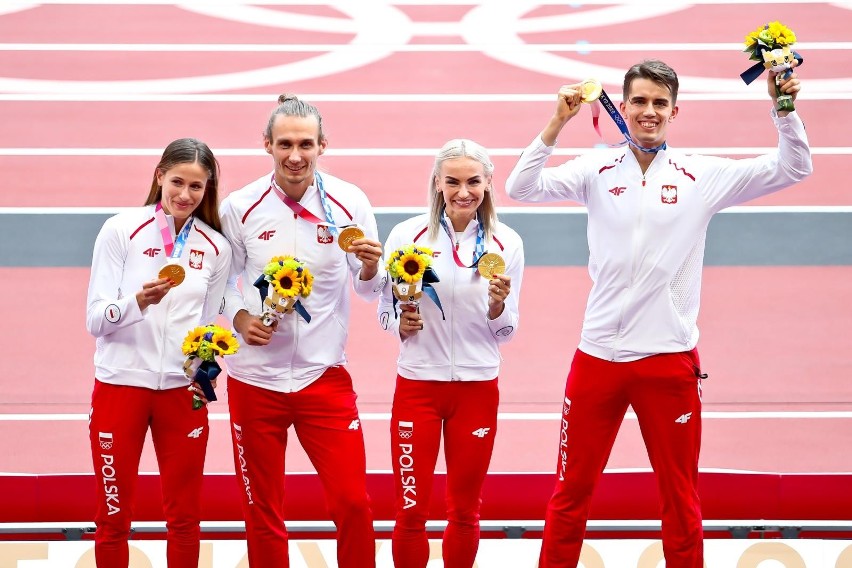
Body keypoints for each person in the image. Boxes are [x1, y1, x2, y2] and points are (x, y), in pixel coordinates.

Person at [505, 59, 812, 567]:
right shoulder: (595, 169)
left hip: (668, 362)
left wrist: (784, 108)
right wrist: (556, 122)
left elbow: (794, 167)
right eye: (640, 102)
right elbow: (521, 186)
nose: (649, 112)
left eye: (659, 104)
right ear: (622, 108)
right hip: (597, 359)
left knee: (679, 499)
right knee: (569, 496)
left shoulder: (704, 175)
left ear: (674, 111)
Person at [218, 94, 385, 567]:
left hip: (323, 377)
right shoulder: (240, 207)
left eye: (306, 144)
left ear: (323, 146)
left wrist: (372, 270)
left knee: (353, 504)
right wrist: (240, 318)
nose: (296, 155)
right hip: (255, 380)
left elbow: (370, 291)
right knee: (261, 512)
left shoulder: (350, 202)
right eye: (285, 143)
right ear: (267, 145)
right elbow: (217, 285)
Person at [85, 138, 232, 567]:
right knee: (113, 518)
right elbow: (95, 319)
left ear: (209, 190)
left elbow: (206, 329)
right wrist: (137, 304)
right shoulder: (120, 230)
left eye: (197, 187)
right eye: (177, 182)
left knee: (185, 518)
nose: (185, 195)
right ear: (159, 177)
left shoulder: (216, 248)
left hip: (180, 395)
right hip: (119, 387)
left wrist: (206, 370)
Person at [378, 139, 525, 567]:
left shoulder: (507, 243)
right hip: (418, 386)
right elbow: (385, 314)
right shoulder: (407, 235)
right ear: (437, 184)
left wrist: (497, 307)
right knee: (410, 512)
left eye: (474, 181)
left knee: (464, 511)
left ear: (488, 183)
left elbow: (508, 330)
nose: (464, 192)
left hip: (477, 389)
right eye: (454, 182)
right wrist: (400, 324)